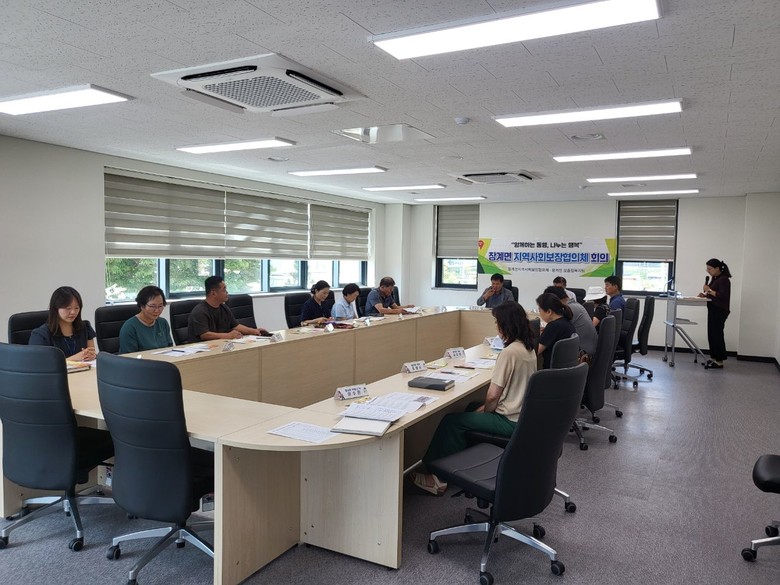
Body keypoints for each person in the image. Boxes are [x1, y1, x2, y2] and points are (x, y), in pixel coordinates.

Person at [411, 301, 537, 495]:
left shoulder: (509, 352)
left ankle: (437, 478)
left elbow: (493, 396)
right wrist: (482, 409)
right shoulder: (528, 348)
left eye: (497, 322)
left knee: (451, 422)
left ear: (506, 325)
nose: (496, 327)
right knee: (471, 406)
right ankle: (461, 465)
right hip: (522, 415)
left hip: (508, 420)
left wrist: (486, 411)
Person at [188, 276, 269, 342]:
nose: (227, 292)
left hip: (220, 345)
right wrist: (228, 335)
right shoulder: (200, 311)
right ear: (213, 293)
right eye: (224, 290)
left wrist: (254, 331)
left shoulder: (224, 307)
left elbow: (236, 326)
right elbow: (204, 335)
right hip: (203, 349)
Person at [29, 286, 96, 361]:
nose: (73, 312)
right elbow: (39, 364)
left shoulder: (85, 328)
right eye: (68, 308)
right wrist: (73, 359)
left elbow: (92, 354)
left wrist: (91, 356)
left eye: (77, 308)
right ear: (56, 308)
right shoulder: (41, 335)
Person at [118, 285, 174, 353]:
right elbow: (128, 357)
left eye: (160, 306)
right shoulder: (129, 327)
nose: (157, 310)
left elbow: (170, 349)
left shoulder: (163, 323)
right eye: (152, 306)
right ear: (142, 306)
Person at [544, 286, 596, 357]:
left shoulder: (568, 309)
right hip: (588, 349)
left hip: (583, 355)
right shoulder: (575, 305)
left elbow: (555, 328)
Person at [699, 258, 732, 369]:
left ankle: (719, 361)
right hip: (713, 309)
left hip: (719, 310)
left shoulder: (724, 280)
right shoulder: (715, 278)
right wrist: (704, 295)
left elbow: (722, 295)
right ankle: (714, 358)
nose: (708, 271)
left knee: (717, 335)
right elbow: (713, 293)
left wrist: (708, 290)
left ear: (717, 268)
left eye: (710, 269)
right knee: (712, 334)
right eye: (707, 269)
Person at [536, 292, 575, 369]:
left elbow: (536, 351)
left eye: (539, 310)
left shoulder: (553, 326)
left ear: (549, 312)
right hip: (564, 370)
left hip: (551, 371)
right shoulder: (566, 321)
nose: (539, 313)